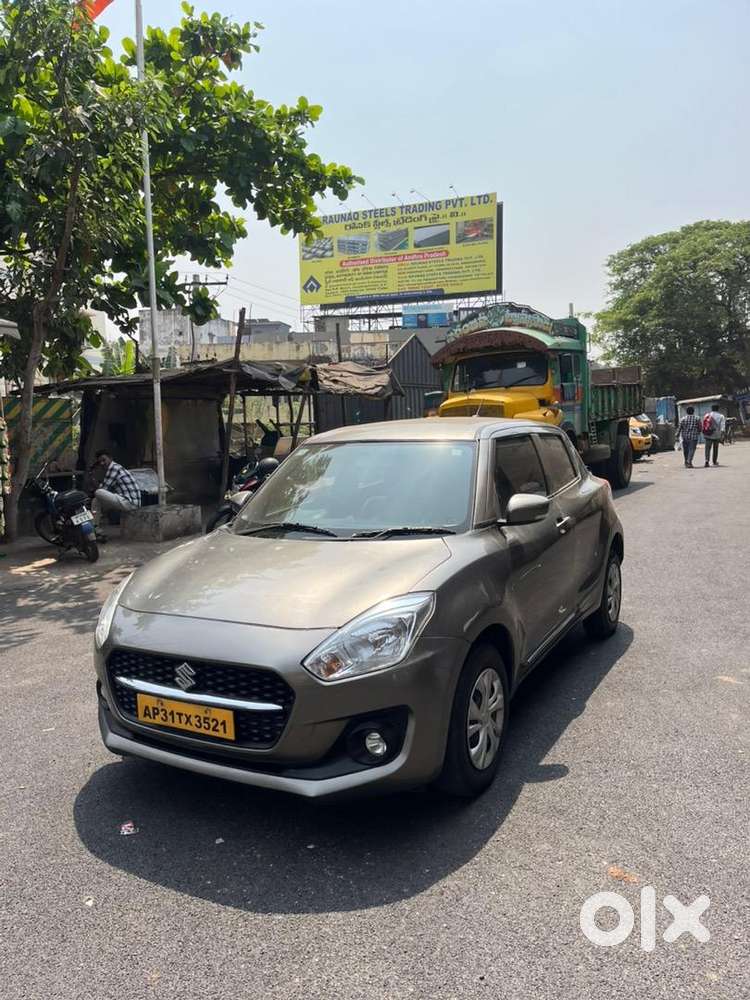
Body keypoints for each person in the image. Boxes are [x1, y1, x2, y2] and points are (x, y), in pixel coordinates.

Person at [92, 450, 141, 535]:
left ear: (110, 458)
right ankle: (95, 528)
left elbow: (103, 489)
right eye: (100, 462)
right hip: (127, 500)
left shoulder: (114, 468)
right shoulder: (115, 468)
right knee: (96, 500)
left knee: (98, 492)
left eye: (104, 460)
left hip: (130, 502)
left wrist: (93, 480)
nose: (102, 463)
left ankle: (94, 528)